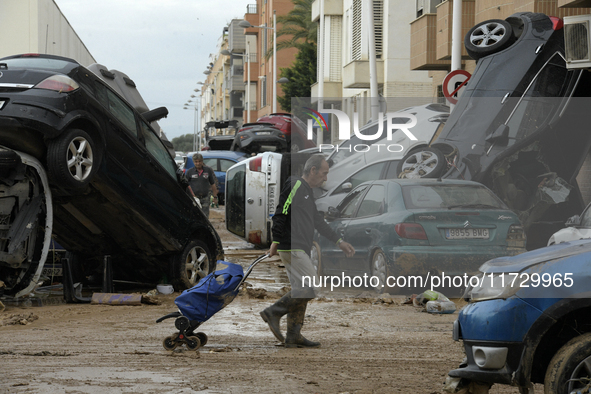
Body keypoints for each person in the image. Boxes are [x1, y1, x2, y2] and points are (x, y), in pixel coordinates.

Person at [260, 154, 355, 348]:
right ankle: (273, 312)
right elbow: (281, 212)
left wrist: (339, 241)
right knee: (312, 287)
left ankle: (293, 336)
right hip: (291, 246)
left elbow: (318, 221)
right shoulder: (295, 185)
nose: (325, 178)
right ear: (313, 170)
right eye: (324, 173)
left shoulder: (307, 193)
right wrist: (275, 240)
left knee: (300, 291)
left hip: (299, 247)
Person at [186, 153, 218, 219]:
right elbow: (186, 185)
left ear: (202, 161)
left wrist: (215, 197)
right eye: (196, 162)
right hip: (194, 198)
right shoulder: (190, 172)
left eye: (199, 161)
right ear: (193, 162)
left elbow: (213, 184)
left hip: (205, 198)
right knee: (194, 215)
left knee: (205, 217)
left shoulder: (208, 170)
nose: (198, 163)